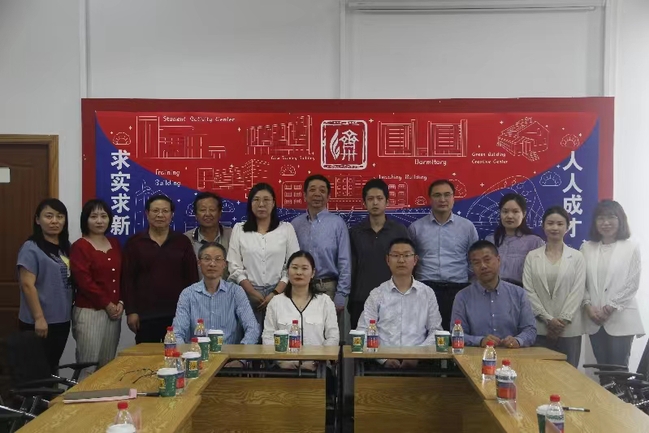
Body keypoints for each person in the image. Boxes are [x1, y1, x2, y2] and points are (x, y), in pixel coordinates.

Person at [122, 194, 199, 344]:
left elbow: (191, 278)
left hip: (177, 314)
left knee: (176, 354)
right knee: (147, 356)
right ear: (147, 213)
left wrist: (191, 310)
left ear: (172, 215)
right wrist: (131, 311)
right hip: (145, 315)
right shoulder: (134, 243)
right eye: (155, 211)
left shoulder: (182, 242)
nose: (160, 215)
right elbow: (128, 279)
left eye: (165, 211)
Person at [357, 238, 442, 369]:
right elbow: (362, 331)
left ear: (415, 260)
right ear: (388, 260)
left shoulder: (427, 293)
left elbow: (436, 331)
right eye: (395, 255)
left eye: (407, 255)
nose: (401, 260)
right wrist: (383, 359)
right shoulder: (377, 294)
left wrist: (417, 355)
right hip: (382, 365)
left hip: (419, 364)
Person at [581, 200, 644, 369]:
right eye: (600, 218)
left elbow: (632, 283)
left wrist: (609, 308)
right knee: (603, 371)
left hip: (621, 318)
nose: (606, 222)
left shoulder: (631, 247)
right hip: (594, 319)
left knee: (619, 371)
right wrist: (588, 306)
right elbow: (581, 282)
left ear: (620, 220)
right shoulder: (586, 248)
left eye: (611, 217)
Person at [408, 179, 478, 330]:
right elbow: (410, 262)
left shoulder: (467, 227)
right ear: (430, 199)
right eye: (437, 195)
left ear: (453, 198)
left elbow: (475, 260)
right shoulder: (416, 228)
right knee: (426, 334)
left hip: (459, 289)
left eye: (447, 195)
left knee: (457, 334)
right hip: (426, 288)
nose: (442, 199)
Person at [173, 242, 259, 363]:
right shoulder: (188, 294)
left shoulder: (235, 292)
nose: (212, 264)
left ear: (224, 264)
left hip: (230, 360)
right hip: (196, 360)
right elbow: (177, 333)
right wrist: (186, 357)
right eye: (207, 259)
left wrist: (240, 359)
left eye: (218, 259)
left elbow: (253, 328)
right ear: (199, 263)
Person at [228, 183, 300, 327]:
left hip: (280, 293)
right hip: (247, 293)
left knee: (277, 336)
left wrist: (275, 293)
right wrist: (252, 292)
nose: (261, 204)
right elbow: (234, 266)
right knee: (249, 336)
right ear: (250, 204)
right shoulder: (239, 229)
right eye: (256, 199)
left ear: (273, 203)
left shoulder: (286, 229)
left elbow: (294, 265)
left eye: (266, 200)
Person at [522, 206, 585, 367]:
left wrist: (561, 321)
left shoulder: (577, 257)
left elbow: (577, 292)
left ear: (567, 227)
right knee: (539, 374)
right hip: (540, 328)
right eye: (550, 223)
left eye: (560, 224)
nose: (555, 228)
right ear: (543, 226)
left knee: (569, 375)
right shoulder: (532, 256)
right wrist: (548, 320)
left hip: (569, 329)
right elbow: (529, 291)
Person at [16, 198, 73, 374]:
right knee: (36, 372)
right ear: (37, 220)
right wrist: (39, 318)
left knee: (51, 367)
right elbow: (27, 285)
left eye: (60, 216)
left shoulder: (66, 247)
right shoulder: (31, 248)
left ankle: (49, 394)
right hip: (39, 322)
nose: (55, 221)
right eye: (49, 216)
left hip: (61, 320)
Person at [451, 240, 536, 348]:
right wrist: (480, 341)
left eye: (487, 260)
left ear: (498, 260)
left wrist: (518, 341)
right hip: (476, 355)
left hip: (512, 354)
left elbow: (530, 330)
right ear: (471, 267)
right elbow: (456, 334)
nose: (483, 266)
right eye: (476, 263)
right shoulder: (462, 297)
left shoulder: (518, 294)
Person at [70, 199, 123, 372]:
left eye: (103, 216)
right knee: (88, 367)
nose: (99, 221)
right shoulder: (80, 246)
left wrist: (121, 302)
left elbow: (121, 276)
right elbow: (84, 281)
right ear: (85, 220)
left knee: (107, 368)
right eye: (93, 217)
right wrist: (107, 304)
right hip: (89, 312)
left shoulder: (115, 243)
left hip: (114, 313)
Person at [262, 251, 339, 370]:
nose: (299, 272)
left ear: (313, 273)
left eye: (304, 268)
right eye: (294, 268)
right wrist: (281, 362)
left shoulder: (325, 302)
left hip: (318, 369)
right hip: (283, 369)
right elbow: (268, 337)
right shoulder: (276, 302)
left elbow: (333, 337)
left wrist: (317, 361)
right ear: (287, 272)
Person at [349, 179, 409, 329]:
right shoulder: (355, 232)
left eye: (379, 198)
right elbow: (350, 267)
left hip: (393, 298)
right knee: (361, 341)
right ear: (364, 203)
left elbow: (409, 265)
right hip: (361, 298)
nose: (375, 202)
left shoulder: (399, 231)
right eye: (370, 199)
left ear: (387, 202)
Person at [291, 174, 351, 319]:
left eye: (322, 190)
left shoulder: (337, 224)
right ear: (305, 195)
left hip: (329, 289)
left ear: (328, 196)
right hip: (300, 288)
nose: (317, 194)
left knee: (330, 331)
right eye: (312, 190)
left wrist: (341, 294)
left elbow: (345, 261)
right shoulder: (295, 224)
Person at [486, 193, 544, 287]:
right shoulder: (490, 241)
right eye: (505, 211)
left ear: (523, 214)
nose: (509, 216)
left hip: (523, 292)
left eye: (515, 211)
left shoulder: (535, 243)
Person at [185, 192, 232, 279]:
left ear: (220, 213)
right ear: (195, 214)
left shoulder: (232, 236)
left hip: (229, 287)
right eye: (202, 210)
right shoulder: (186, 239)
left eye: (212, 210)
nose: (207, 214)